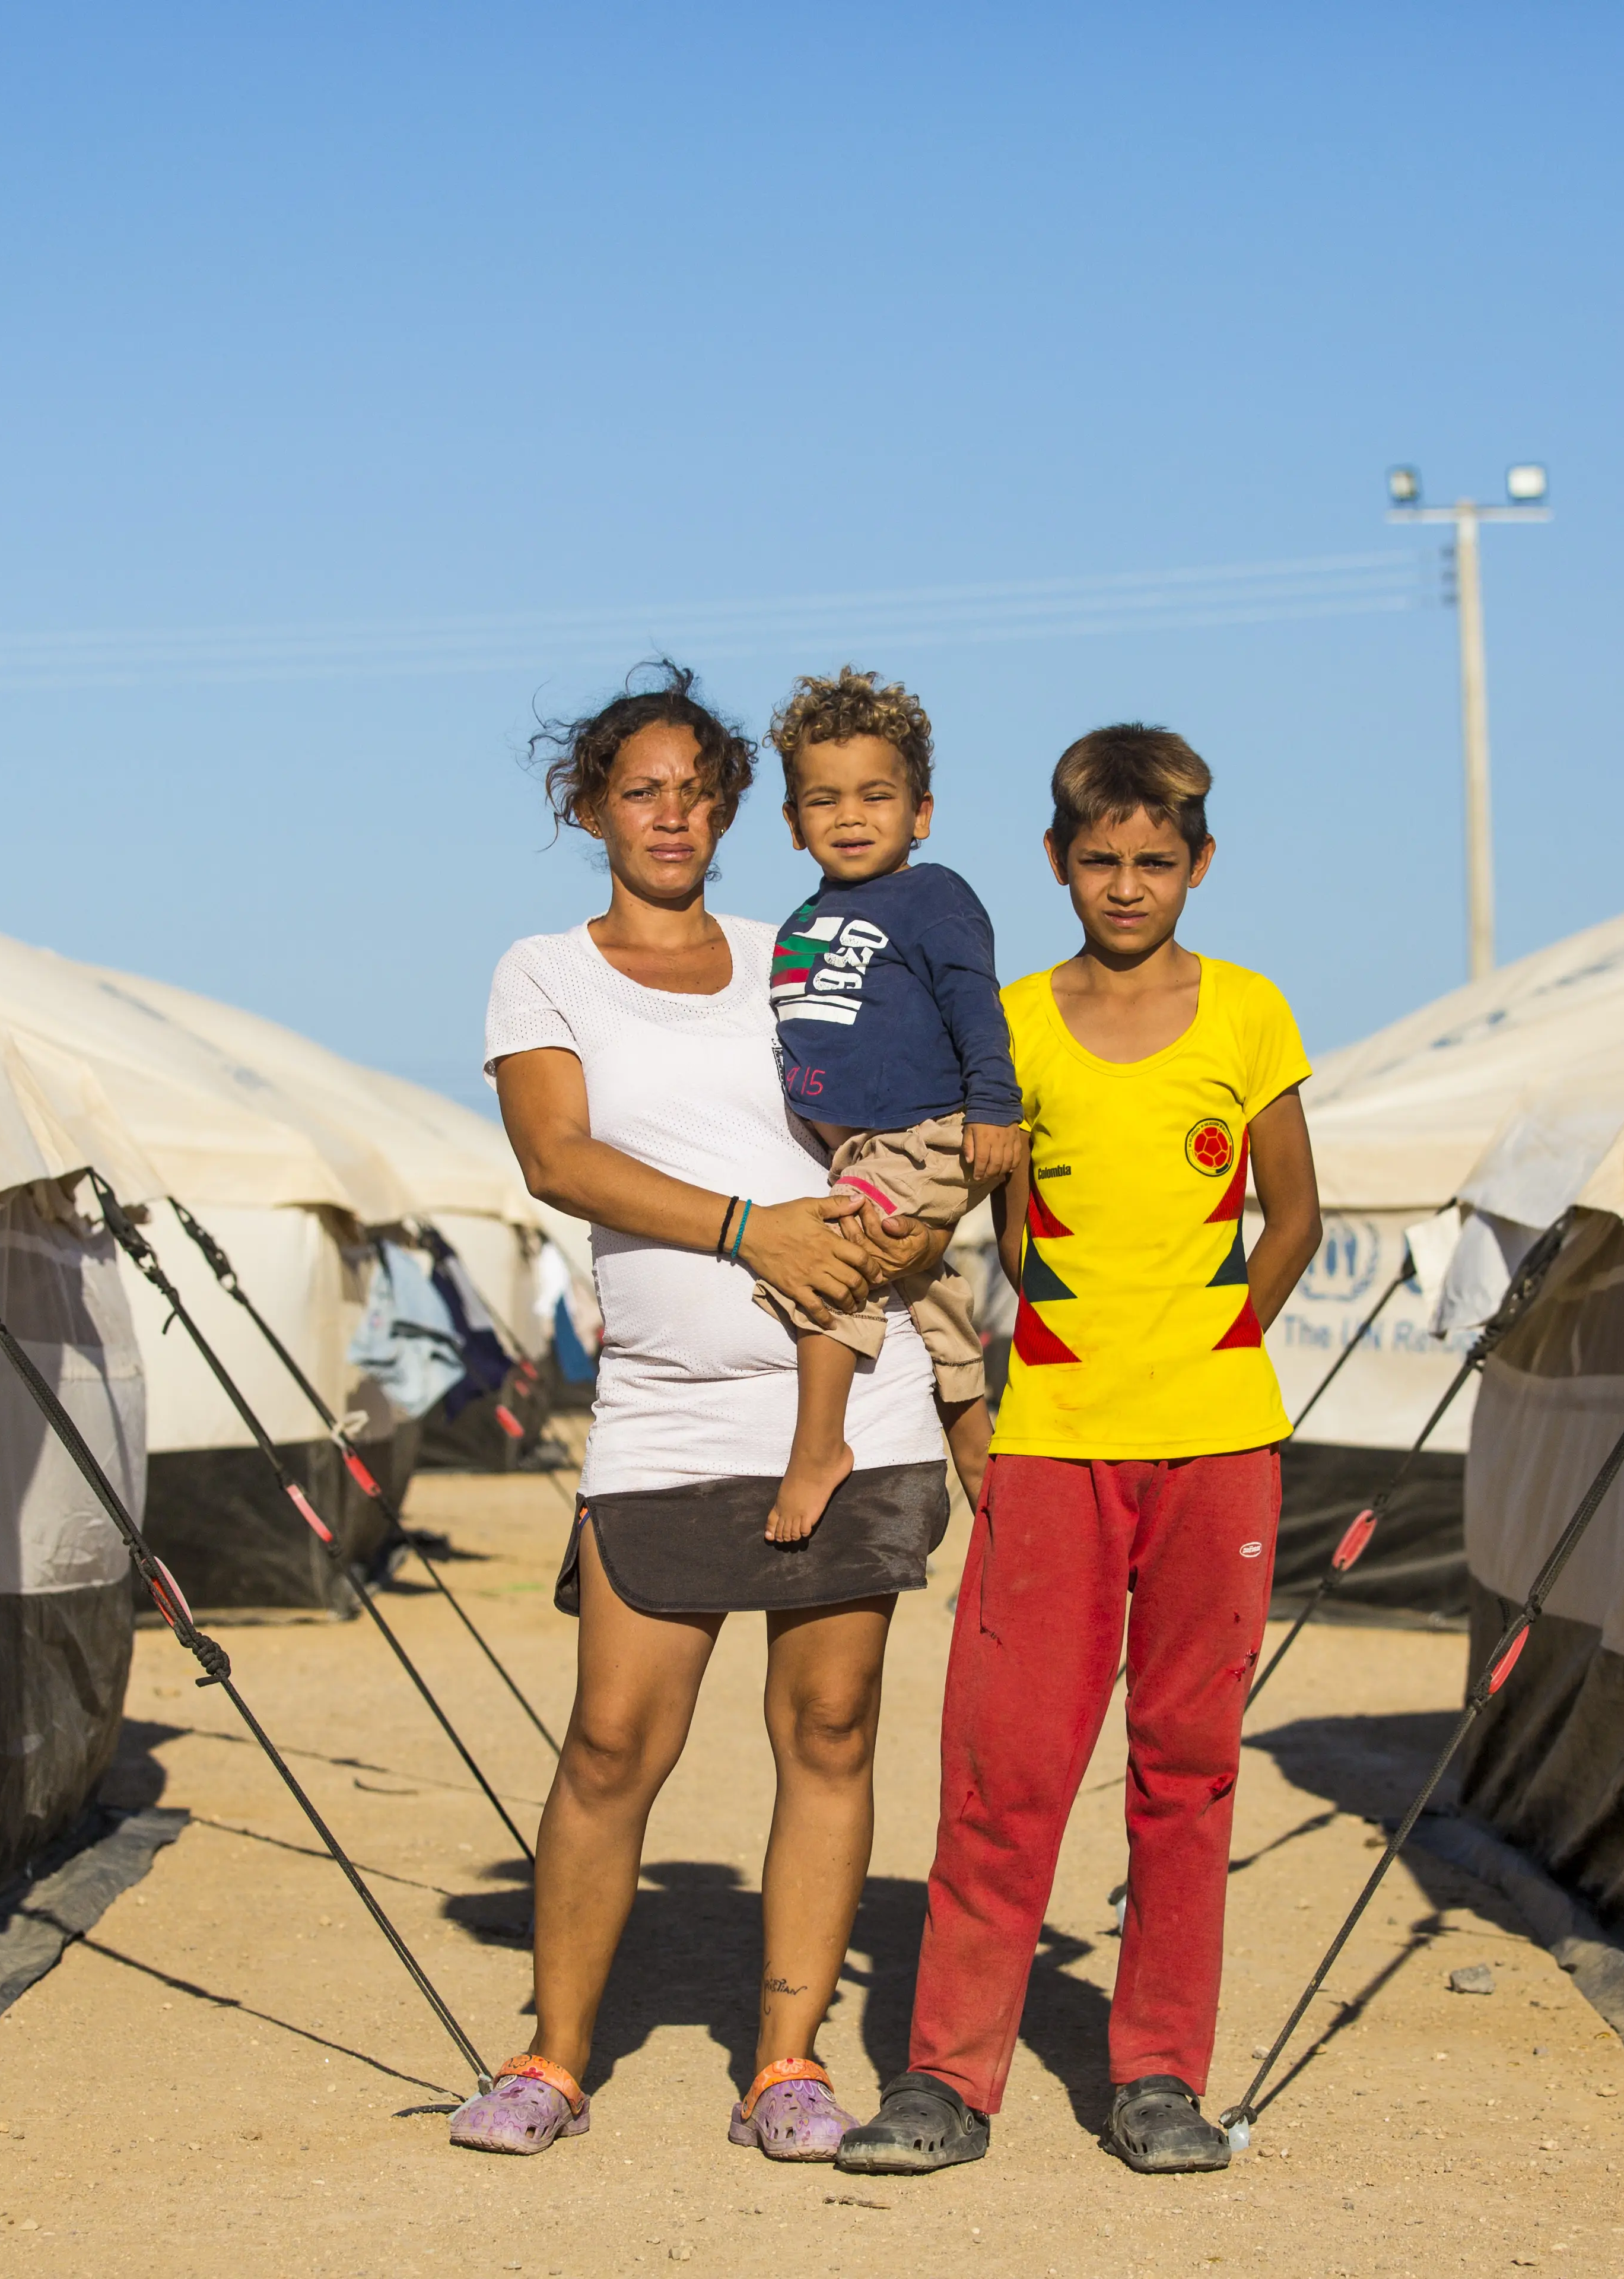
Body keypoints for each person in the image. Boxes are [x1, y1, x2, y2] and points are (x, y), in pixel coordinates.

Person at [452, 663, 955, 2164]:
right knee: (613, 1740)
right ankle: (552, 2057)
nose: (669, 813)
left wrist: (877, 1231)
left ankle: (786, 2066)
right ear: (591, 806)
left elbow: (897, 1120)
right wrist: (754, 1231)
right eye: (639, 789)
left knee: (832, 1724)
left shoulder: (802, 949)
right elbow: (560, 1159)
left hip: (851, 1393)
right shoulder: (546, 969)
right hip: (666, 1411)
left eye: (694, 789)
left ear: (733, 808)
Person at [840, 724, 1321, 2179]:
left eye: (1155, 862)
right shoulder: (1019, 1024)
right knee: (1008, 1764)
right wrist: (1000, 1377)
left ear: (1201, 864)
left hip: (1219, 1445)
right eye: (1100, 861)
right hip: (1055, 1443)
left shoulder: (1248, 1013)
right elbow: (985, 1213)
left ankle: (1161, 2073)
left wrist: (1218, 1338)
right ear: (1056, 861)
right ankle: (945, 2078)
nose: (1127, 885)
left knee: (1188, 1767)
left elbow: (1292, 1213)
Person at [752, 666, 1022, 1535]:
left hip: (929, 1130)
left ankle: (817, 1449)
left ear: (922, 813)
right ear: (794, 823)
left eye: (877, 795)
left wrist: (994, 1109)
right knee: (926, 1299)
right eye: (824, 801)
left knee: (832, 1261)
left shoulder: (932, 896)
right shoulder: (801, 919)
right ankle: (981, 1465)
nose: (852, 816)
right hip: (863, 1147)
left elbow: (979, 1006)